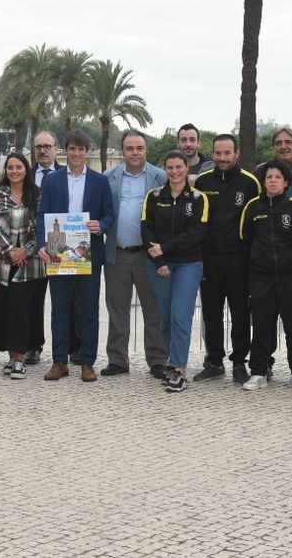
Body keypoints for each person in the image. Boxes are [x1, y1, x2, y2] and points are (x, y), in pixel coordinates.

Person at [36, 130, 114, 383]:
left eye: (81, 149)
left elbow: (109, 215)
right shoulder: (53, 180)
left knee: (89, 310)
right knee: (59, 309)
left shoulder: (99, 181)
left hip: (88, 254)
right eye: (72, 149)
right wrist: (41, 244)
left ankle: (87, 362)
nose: (77, 153)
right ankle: (60, 361)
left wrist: (100, 225)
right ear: (65, 151)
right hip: (59, 254)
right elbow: (42, 215)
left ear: (87, 152)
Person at [193, 133, 262, 384]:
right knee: (211, 313)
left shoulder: (250, 183)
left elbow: (258, 220)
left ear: (237, 154)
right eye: (218, 153)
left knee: (240, 314)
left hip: (239, 260)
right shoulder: (201, 182)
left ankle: (239, 363)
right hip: (209, 259)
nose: (222, 158)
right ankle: (214, 361)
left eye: (227, 153)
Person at [240, 161, 292, 392]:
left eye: (277, 177)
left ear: (286, 182)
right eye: (269, 177)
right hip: (261, 278)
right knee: (262, 326)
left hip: (291, 278)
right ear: (263, 182)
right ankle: (259, 371)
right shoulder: (252, 207)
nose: (273, 180)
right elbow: (245, 240)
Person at [101, 130, 168, 378]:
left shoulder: (161, 177)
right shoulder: (109, 177)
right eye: (130, 148)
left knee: (153, 309)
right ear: (122, 151)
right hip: (117, 253)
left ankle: (158, 360)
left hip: (148, 255)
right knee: (117, 308)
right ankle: (118, 359)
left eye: (139, 148)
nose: (135, 153)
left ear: (146, 149)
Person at [141, 150, 208, 392]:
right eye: (170, 167)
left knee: (181, 315)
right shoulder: (154, 195)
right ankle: (170, 362)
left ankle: (179, 368)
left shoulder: (199, 198)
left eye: (179, 167)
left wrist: (164, 249)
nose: (175, 171)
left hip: (189, 264)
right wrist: (159, 261)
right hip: (159, 265)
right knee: (166, 317)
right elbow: (146, 229)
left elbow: (197, 232)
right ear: (165, 169)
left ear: (186, 168)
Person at [0, 152, 42, 380]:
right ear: (5, 171)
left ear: (26, 169)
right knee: (3, 311)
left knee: (19, 310)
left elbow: (41, 227)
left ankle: (20, 360)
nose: (14, 171)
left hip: (29, 264)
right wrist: (11, 251)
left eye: (19, 167)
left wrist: (26, 250)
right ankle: (11, 356)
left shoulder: (36, 195)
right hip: (0, 262)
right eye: (10, 167)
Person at [25, 130, 64, 365]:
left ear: (56, 148)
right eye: (38, 146)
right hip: (32, 247)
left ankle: (73, 346)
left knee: (67, 300)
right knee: (33, 299)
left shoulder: (66, 175)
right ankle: (32, 345)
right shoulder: (24, 175)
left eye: (47, 146)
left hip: (61, 245)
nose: (42, 150)